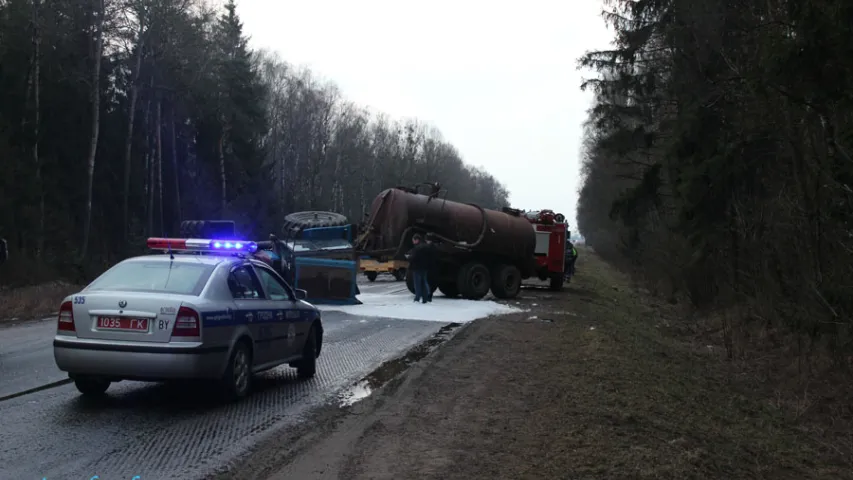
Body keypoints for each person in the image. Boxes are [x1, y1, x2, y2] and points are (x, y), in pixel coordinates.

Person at [406, 234, 432, 303]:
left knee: (417, 284)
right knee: (424, 282)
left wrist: (408, 257)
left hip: (417, 268)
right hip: (425, 268)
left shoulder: (417, 248)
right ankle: (425, 298)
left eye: (413, 240)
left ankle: (417, 298)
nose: (413, 242)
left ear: (416, 240)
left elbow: (414, 257)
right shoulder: (426, 247)